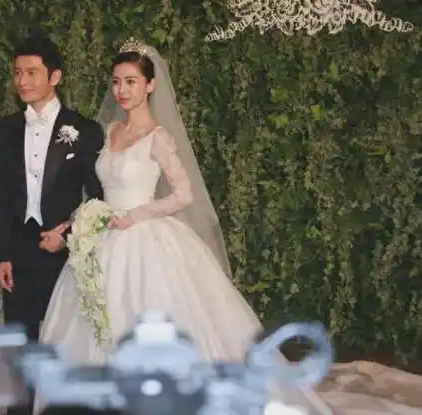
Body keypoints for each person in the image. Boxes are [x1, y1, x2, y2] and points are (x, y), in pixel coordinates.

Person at [38, 40, 422, 415]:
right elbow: (103, 192)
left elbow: (183, 194)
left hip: (145, 239)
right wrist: (76, 223)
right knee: (93, 323)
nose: (122, 90)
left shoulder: (158, 138)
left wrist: (138, 215)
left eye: (131, 81)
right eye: (117, 81)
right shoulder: (111, 132)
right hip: (105, 240)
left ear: (150, 85)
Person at [0, 34, 104, 415]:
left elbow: (98, 198)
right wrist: (1, 254)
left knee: (60, 342)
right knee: (18, 343)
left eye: (31, 72)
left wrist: (67, 233)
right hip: (18, 249)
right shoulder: (7, 128)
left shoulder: (84, 130)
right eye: (17, 72)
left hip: (63, 253)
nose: (22, 81)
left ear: (55, 77)